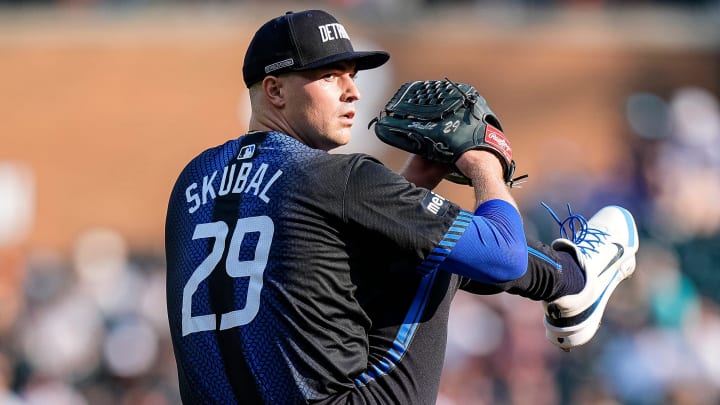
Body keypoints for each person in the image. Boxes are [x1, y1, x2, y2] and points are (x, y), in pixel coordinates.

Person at [164, 9, 639, 405]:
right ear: (274, 90)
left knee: (415, 233)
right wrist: (485, 164)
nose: (352, 91)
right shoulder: (335, 175)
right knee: (443, 254)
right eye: (329, 76)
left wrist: (418, 180)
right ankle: (574, 278)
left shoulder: (191, 182)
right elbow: (502, 257)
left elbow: (322, 252)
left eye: (352, 76)